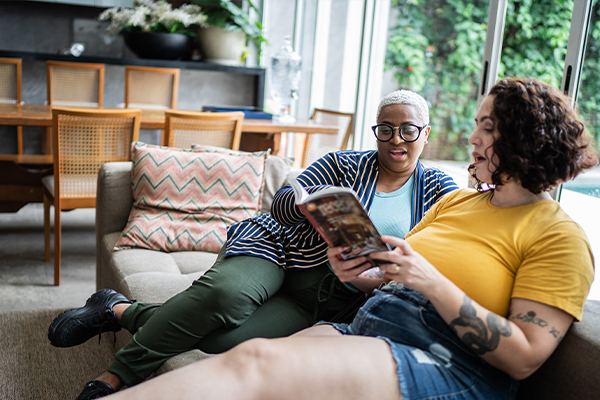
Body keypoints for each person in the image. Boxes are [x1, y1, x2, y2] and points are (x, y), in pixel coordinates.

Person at [101, 77, 597, 400]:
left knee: (257, 358)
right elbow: (388, 279)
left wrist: (429, 282)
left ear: (525, 141)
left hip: (445, 357)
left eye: (485, 128)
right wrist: (362, 277)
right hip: (360, 314)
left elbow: (527, 356)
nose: (471, 140)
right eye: (475, 126)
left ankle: (116, 342)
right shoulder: (460, 203)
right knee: (238, 349)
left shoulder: (557, 236)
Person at [48, 90, 458, 399]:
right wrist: (302, 203)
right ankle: (117, 377)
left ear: (425, 132)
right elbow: (282, 201)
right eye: (385, 129)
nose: (396, 139)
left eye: (407, 129)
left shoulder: (439, 190)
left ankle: (117, 310)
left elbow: (439, 251)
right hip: (279, 251)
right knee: (224, 298)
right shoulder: (345, 163)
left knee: (218, 338)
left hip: (330, 297)